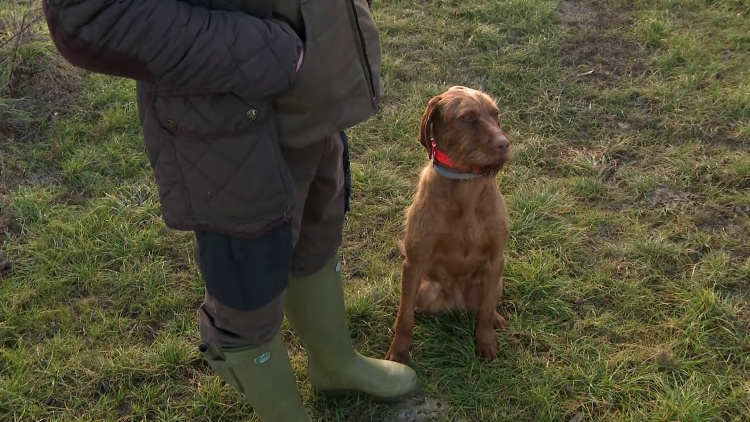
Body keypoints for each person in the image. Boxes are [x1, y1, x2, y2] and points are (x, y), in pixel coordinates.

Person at [41, 0, 419, 420]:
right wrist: (266, 52)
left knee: (318, 229)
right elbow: (91, 15)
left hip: (313, 96)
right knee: (249, 287)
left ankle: (335, 364)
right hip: (225, 120)